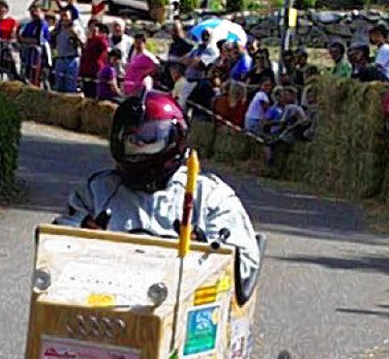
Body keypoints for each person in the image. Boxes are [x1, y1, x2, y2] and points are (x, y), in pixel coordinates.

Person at [55, 90, 261, 302]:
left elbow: (246, 265)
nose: (139, 146)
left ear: (174, 139)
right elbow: (54, 245)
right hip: (105, 303)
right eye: (131, 138)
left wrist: (204, 250)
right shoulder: (96, 190)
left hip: (188, 307)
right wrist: (82, 239)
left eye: (149, 138)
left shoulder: (210, 196)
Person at [18, 3, 52, 86]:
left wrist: (28, 40)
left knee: (36, 78)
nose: (34, 13)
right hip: (27, 57)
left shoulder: (43, 24)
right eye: (32, 11)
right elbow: (21, 38)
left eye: (36, 11)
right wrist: (26, 40)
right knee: (26, 76)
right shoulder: (29, 24)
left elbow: (38, 40)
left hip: (39, 57)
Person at [51, 9, 84, 92]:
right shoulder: (59, 28)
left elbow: (83, 43)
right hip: (60, 59)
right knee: (58, 86)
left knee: (70, 86)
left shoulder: (77, 28)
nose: (64, 18)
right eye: (62, 16)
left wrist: (74, 33)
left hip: (71, 60)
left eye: (66, 16)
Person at [79, 18, 109, 98]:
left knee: (94, 94)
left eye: (95, 26)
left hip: (96, 70)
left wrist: (98, 36)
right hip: (86, 70)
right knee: (86, 93)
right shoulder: (88, 40)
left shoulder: (100, 40)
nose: (93, 28)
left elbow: (105, 48)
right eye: (91, 26)